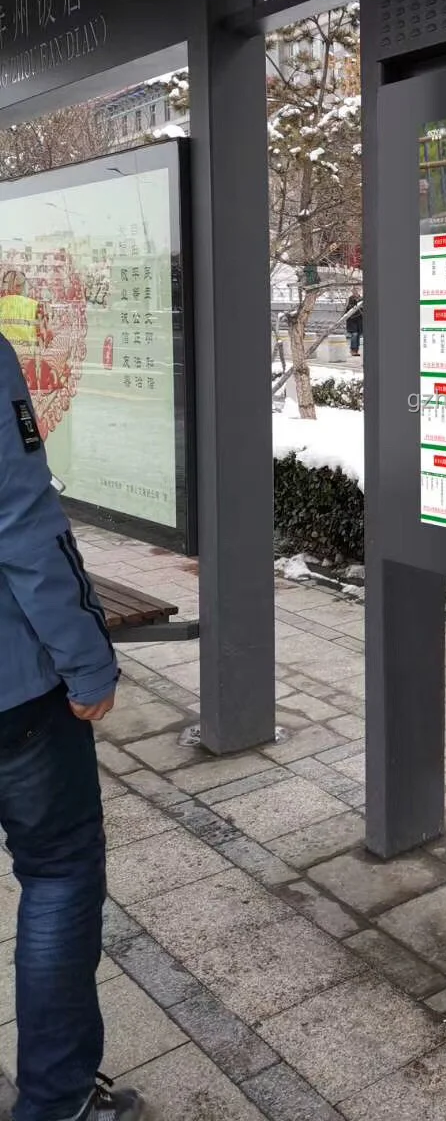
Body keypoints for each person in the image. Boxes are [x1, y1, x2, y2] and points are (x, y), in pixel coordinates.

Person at [0, 334, 140, 1121]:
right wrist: (88, 662)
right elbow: (21, 523)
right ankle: (56, 1104)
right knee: (57, 872)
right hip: (13, 692)